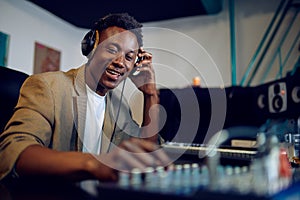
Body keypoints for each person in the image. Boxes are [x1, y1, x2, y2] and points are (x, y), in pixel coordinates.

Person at [0, 13, 170, 182]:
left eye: (129, 57)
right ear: (91, 47)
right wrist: (94, 164)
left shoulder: (119, 105)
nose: (120, 62)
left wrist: (150, 94)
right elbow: (12, 151)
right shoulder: (48, 86)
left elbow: (145, 153)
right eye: (112, 49)